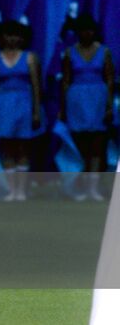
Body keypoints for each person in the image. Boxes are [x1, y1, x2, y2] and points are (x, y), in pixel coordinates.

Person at [0, 19, 43, 201]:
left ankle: (22, 190)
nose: (12, 39)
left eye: (16, 35)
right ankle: (11, 190)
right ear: (2, 37)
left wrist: (36, 111)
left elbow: (36, 86)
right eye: (8, 35)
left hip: (24, 104)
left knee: (22, 147)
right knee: (7, 148)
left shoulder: (30, 57)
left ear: (22, 38)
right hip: (1, 105)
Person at [61, 14, 115, 201]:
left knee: (97, 145)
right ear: (77, 32)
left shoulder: (104, 51)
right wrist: (64, 106)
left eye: (90, 30)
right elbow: (66, 80)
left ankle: (94, 189)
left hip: (98, 100)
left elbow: (109, 79)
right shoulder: (69, 52)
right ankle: (82, 187)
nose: (87, 33)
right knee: (81, 145)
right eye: (83, 30)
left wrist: (109, 105)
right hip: (76, 100)